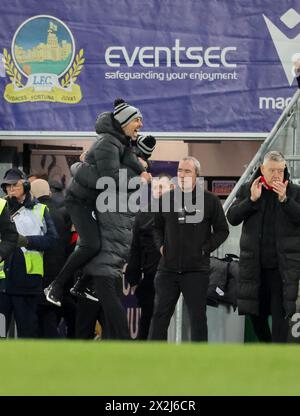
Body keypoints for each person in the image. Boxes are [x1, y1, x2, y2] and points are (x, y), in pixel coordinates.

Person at [45, 98, 153, 308]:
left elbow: (129, 157)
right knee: (91, 244)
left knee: (99, 245)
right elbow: (110, 179)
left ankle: (81, 284)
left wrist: (142, 169)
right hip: (79, 202)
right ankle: (56, 287)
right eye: (137, 120)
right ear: (124, 121)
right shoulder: (108, 144)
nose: (140, 125)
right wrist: (139, 180)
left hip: (90, 202)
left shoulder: (118, 141)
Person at [148, 157, 229, 342]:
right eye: (180, 171)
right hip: (167, 269)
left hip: (196, 271)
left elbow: (222, 230)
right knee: (160, 317)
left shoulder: (210, 201)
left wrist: (205, 249)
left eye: (187, 171)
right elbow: (156, 228)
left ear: (197, 176)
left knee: (198, 318)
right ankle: (152, 359)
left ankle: (198, 362)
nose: (182, 175)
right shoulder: (166, 199)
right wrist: (161, 246)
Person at [227, 150, 300, 343]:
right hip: (254, 267)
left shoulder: (294, 192)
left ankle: (276, 356)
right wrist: (251, 201)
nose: (277, 175)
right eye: (272, 170)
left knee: (280, 317)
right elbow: (232, 218)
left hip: (282, 269)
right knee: (255, 316)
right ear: (262, 169)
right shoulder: (247, 189)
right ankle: (267, 349)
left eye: (280, 170)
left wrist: (285, 201)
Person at [0, 168, 58, 338]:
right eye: (7, 186)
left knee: (28, 333)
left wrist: (28, 241)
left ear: (25, 185)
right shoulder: (1, 207)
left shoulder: (40, 210)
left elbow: (52, 240)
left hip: (26, 282)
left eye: (14, 185)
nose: (10, 189)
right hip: (2, 282)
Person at [124, 174, 173, 339]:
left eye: (162, 187)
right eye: (156, 187)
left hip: (174, 277)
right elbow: (135, 249)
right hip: (152, 278)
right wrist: (133, 278)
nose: (158, 191)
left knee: (161, 323)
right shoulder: (143, 215)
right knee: (149, 321)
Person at [30, 178, 72, 338]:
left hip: (39, 272)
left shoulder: (36, 213)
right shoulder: (61, 213)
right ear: (48, 192)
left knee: (39, 321)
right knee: (50, 316)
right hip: (59, 273)